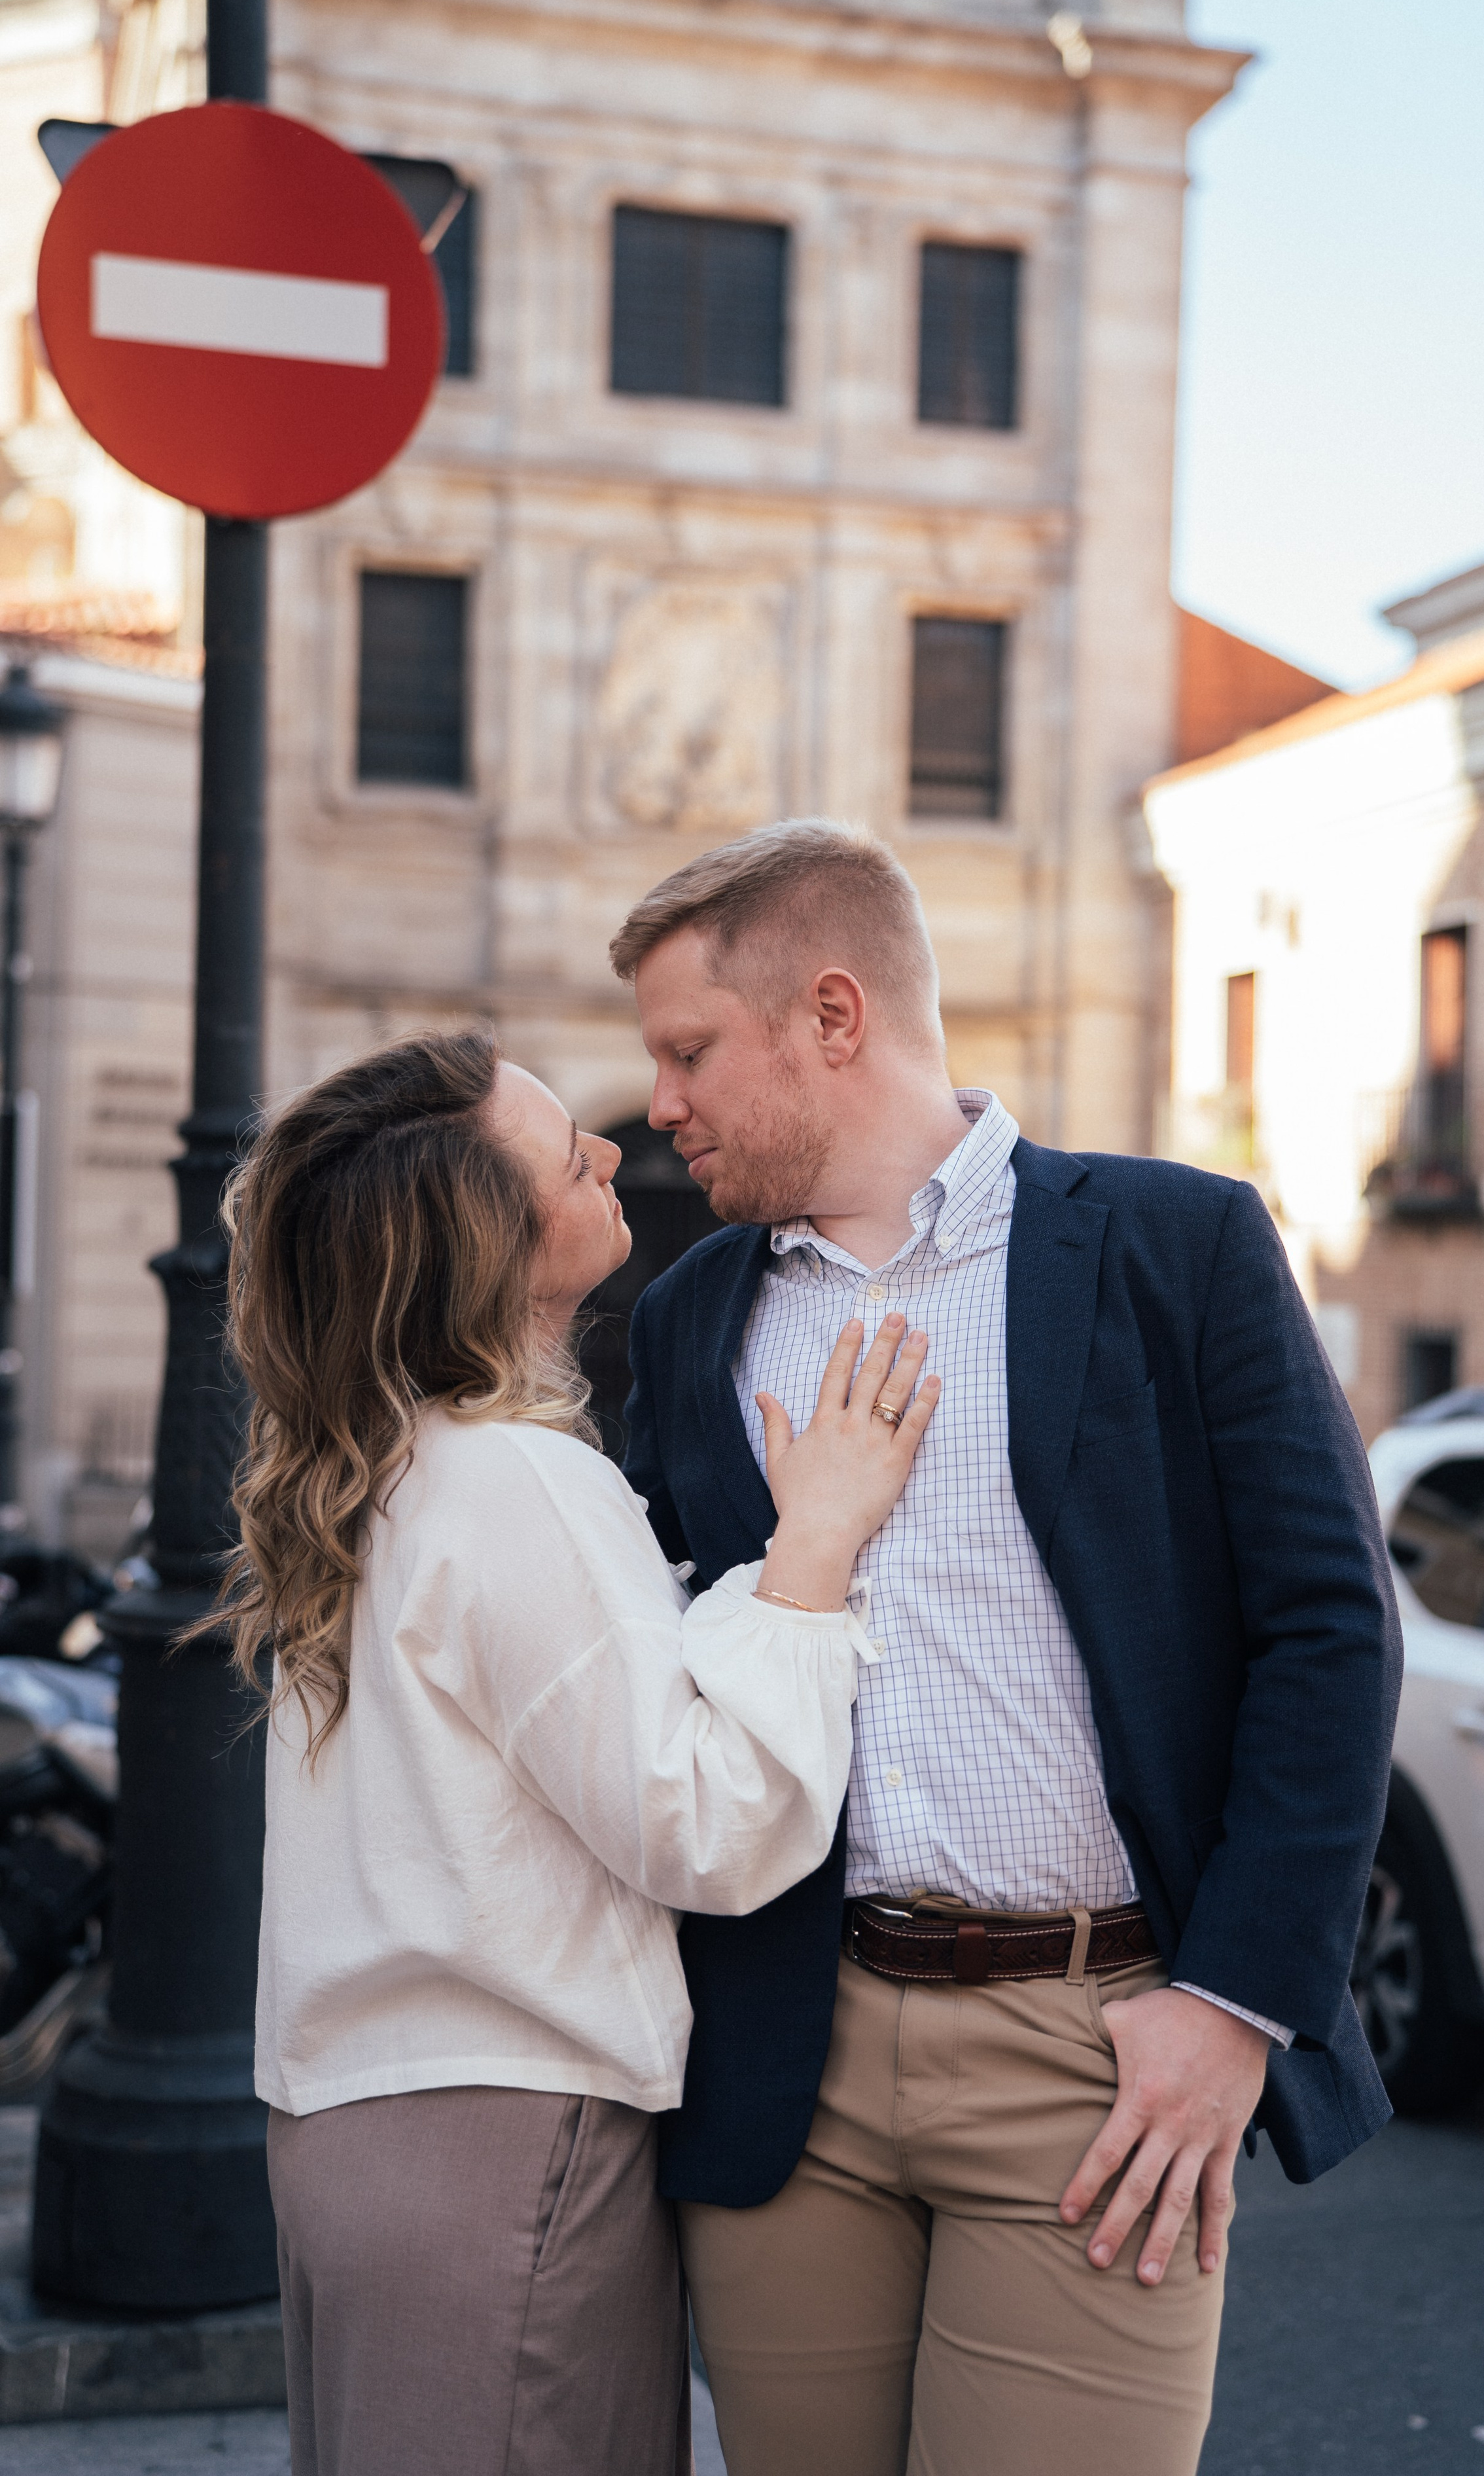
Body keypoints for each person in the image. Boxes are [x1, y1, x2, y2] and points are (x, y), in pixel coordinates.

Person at [609, 821, 1404, 2476]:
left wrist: (1237, 2005)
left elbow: (1329, 1632)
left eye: (687, 1051)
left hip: (1092, 2047)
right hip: (784, 2052)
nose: (660, 1106)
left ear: (831, 1015)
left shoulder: (1174, 1247)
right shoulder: (693, 1313)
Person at [217, 1028, 941, 2476]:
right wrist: (810, 1552)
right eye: (567, 1155)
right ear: (484, 1244)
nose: (615, 1149)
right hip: (505, 2141)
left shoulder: (384, 1473)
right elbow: (704, 1829)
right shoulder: (514, 1482)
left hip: (360, 2136)